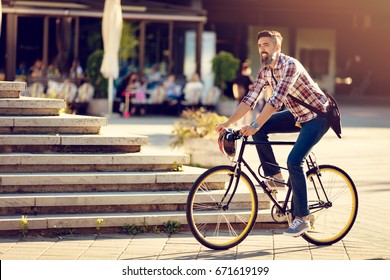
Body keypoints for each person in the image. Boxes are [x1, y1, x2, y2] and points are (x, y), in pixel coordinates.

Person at [215, 30, 331, 237]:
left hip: (318, 116)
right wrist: (228, 122)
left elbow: (275, 101)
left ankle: (302, 218)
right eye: (260, 45)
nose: (262, 49)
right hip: (298, 115)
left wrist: (255, 125)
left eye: (266, 44)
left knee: (294, 161)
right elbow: (249, 99)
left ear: (277, 47)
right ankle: (275, 177)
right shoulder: (265, 71)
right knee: (260, 128)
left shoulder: (290, 66)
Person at [232, 60, 255, 125]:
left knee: (239, 110)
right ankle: (247, 124)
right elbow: (252, 87)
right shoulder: (248, 77)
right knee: (248, 112)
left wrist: (236, 95)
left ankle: (239, 123)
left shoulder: (238, 77)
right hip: (247, 97)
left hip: (239, 96)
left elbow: (235, 86)